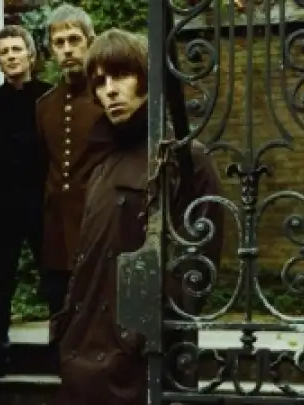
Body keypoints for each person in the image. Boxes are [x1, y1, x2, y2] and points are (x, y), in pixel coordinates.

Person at [50, 29, 224, 405]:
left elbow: (199, 267)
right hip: (83, 358)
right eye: (100, 82)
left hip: (142, 362)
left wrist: (141, 334)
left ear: (146, 78)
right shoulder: (101, 165)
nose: (110, 90)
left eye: (120, 76)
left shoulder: (186, 159)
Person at [0, 25, 52, 377]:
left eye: (17, 49)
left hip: (43, 202)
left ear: (31, 54)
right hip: (1, 205)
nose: (11, 56)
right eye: (4, 52)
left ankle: (64, 350)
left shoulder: (49, 97)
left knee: (55, 277)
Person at [35, 3, 107, 329]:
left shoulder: (106, 97)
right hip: (56, 231)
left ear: (90, 42)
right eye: (59, 43)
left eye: (74, 40)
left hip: (96, 223)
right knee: (60, 317)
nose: (67, 49)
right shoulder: (44, 106)